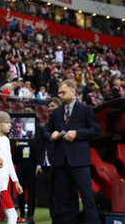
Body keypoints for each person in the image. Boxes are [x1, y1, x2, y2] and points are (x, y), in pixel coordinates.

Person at [44, 79, 101, 224]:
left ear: (73, 92)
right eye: (59, 93)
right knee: (64, 201)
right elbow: (45, 130)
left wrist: (77, 133)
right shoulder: (56, 113)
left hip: (80, 162)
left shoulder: (86, 109)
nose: (60, 95)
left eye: (63, 92)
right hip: (61, 163)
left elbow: (95, 130)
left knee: (88, 199)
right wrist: (51, 135)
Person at [0, 111, 23, 224]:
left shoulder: (6, 140)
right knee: (11, 214)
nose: (10, 125)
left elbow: (9, 161)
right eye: (6, 122)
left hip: (3, 184)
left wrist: (16, 181)